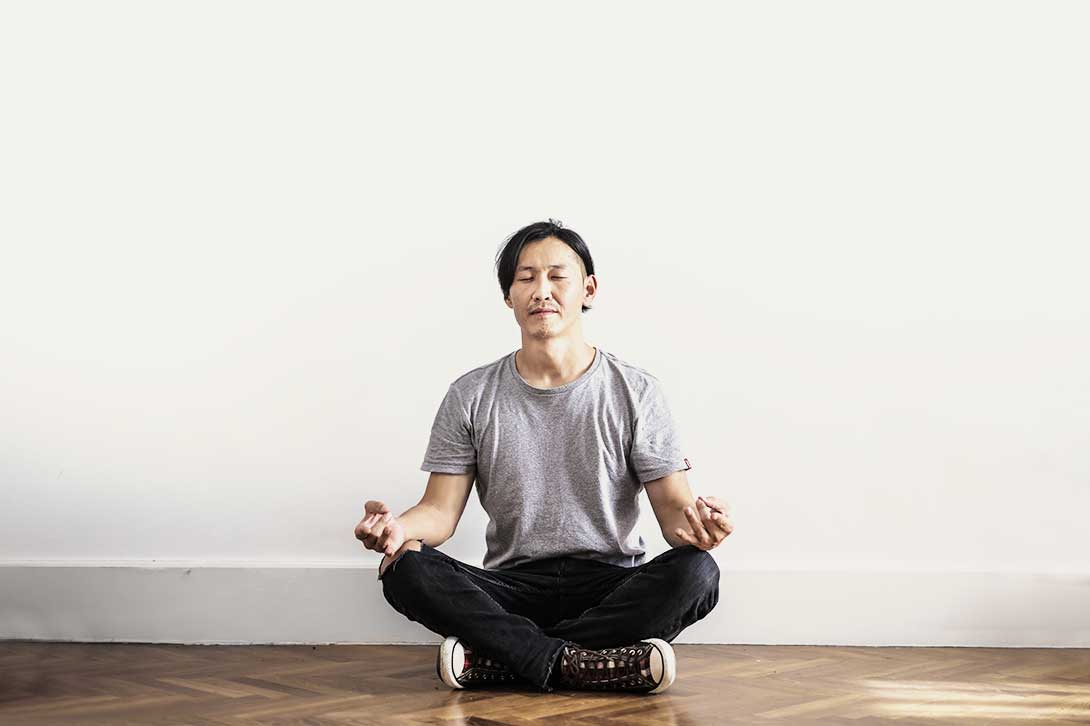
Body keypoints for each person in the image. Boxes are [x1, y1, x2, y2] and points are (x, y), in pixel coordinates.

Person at [353, 218, 734, 694]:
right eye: (526, 277)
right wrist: (397, 530)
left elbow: (675, 512)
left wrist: (700, 527)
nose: (541, 291)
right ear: (508, 296)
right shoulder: (471, 394)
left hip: (610, 584)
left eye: (557, 276)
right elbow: (439, 511)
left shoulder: (637, 391)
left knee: (698, 571)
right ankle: (589, 663)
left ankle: (507, 658)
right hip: (511, 588)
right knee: (404, 566)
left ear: (588, 289)